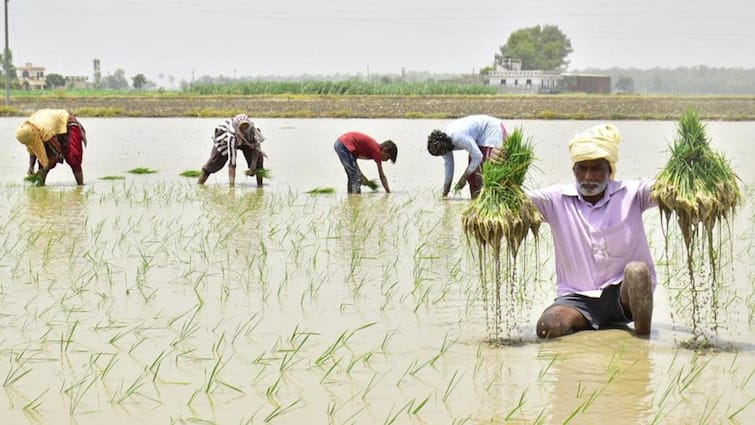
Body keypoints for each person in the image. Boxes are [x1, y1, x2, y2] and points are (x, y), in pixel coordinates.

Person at [525, 123, 656, 338]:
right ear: (574, 170)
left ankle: (643, 341)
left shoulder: (632, 194)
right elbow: (515, 203)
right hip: (578, 297)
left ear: (609, 171)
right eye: (582, 168)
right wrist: (501, 174)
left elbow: (669, 190)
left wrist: (692, 163)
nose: (588, 176)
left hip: (623, 296)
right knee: (547, 328)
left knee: (637, 271)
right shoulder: (556, 200)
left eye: (596, 169)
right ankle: (588, 323)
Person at [426, 114, 508, 199]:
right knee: (472, 177)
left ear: (445, 147)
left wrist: (463, 178)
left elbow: (478, 157)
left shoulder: (458, 137)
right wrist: (445, 194)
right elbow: (449, 166)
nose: (443, 155)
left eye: (442, 153)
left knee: (481, 172)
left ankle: (487, 200)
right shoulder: (442, 146)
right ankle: (475, 203)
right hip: (477, 138)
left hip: (490, 130)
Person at [15, 109, 88, 186]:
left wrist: (44, 169)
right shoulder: (26, 131)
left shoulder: (45, 131)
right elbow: (33, 149)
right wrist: (31, 166)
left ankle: (80, 186)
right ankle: (40, 187)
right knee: (42, 162)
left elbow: (56, 153)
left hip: (65, 122)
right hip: (51, 125)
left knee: (73, 158)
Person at [198, 114, 266, 187]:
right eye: (241, 127)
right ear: (237, 127)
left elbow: (256, 147)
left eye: (246, 126)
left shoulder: (253, 130)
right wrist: (232, 187)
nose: (244, 129)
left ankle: (260, 187)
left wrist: (253, 164)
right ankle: (199, 184)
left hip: (247, 142)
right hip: (224, 141)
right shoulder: (232, 134)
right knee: (214, 162)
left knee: (259, 159)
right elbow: (232, 163)